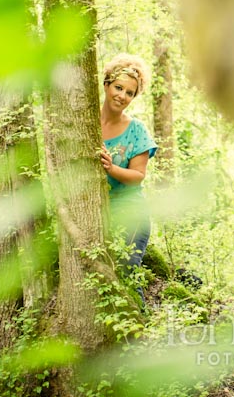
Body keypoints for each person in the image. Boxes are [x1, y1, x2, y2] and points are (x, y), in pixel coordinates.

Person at [99, 53, 158, 305]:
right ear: (106, 85)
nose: (122, 96)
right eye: (118, 87)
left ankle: (139, 331)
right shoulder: (85, 120)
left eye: (130, 93)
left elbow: (137, 175)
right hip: (99, 215)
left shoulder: (136, 130)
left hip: (130, 214)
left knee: (126, 271)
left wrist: (111, 168)